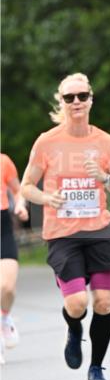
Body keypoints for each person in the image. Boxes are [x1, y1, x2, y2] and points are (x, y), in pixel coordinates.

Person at [20, 73, 110, 380]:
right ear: (61, 102)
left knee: (104, 303)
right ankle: (73, 328)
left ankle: (96, 367)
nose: (76, 102)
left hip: (98, 230)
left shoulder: (105, 142)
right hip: (62, 234)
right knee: (77, 305)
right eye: (69, 98)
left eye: (82, 96)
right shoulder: (47, 142)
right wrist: (46, 197)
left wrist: (105, 179)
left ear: (91, 99)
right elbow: (27, 186)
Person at [1, 153, 29, 364]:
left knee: (7, 287)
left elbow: (19, 190)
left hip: (3, 230)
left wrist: (20, 205)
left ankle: (5, 318)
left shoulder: (4, 161)